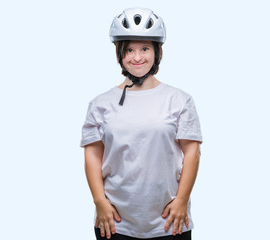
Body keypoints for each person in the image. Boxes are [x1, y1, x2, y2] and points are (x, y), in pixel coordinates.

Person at [80, 8, 202, 240]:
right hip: (115, 221)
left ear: (157, 52)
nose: (137, 57)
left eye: (145, 49)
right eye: (129, 50)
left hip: (170, 221)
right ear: (120, 55)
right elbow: (93, 156)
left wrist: (182, 201)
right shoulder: (100, 103)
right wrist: (99, 202)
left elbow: (192, 152)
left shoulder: (179, 100)